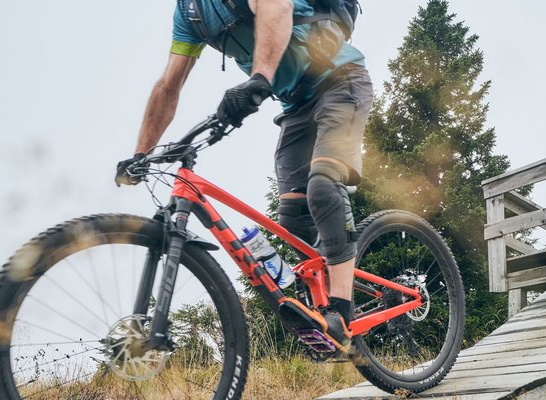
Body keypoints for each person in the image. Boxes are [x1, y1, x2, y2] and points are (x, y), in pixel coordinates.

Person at [114, 0, 373, 353]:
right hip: (296, 107)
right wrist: (141, 154)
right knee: (293, 219)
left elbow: (276, 6)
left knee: (323, 186)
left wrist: (259, 79)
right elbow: (168, 86)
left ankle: (341, 313)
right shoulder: (189, 14)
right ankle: (321, 301)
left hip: (342, 83)